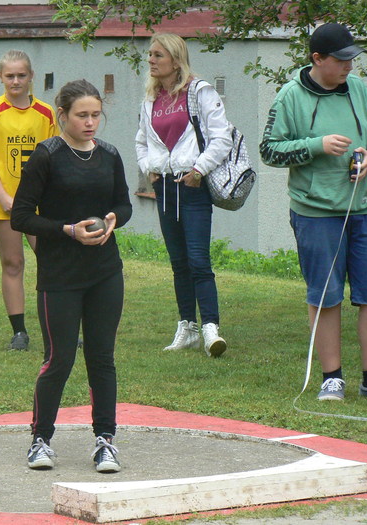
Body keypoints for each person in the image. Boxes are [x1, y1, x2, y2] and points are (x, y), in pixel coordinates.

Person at [260, 23, 367, 402]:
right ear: (317, 59)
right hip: (315, 213)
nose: (349, 66)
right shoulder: (290, 97)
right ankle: (332, 379)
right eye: (341, 60)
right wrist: (317, 145)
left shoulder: (358, 89)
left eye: (352, 59)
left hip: (366, 209)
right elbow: (269, 150)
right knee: (326, 295)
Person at [11, 79, 132, 472]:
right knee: (58, 359)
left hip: (105, 272)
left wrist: (113, 219)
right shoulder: (45, 156)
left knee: (102, 357)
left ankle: (105, 441)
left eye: (96, 115)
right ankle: (40, 440)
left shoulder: (109, 155)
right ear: (62, 114)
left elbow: (124, 205)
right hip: (59, 275)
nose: (90, 122)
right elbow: (20, 217)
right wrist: (67, 230)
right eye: (82, 115)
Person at [135, 33, 232, 358]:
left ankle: (210, 328)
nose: (151, 60)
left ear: (176, 61)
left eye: (158, 55)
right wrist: (148, 168)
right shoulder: (150, 98)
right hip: (164, 187)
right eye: (150, 55)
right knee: (178, 261)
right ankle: (187, 327)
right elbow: (141, 141)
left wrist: (199, 170)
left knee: (198, 259)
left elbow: (222, 138)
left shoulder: (199, 91)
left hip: (193, 186)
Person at [0, 50, 58, 351]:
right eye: (10, 76)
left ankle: (59, 327)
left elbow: (55, 155)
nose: (16, 81)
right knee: (12, 262)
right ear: (0, 77)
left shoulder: (46, 113)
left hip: (40, 202)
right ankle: (19, 332)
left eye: (21, 75)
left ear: (31, 76)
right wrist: (4, 196)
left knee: (50, 260)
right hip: (3, 200)